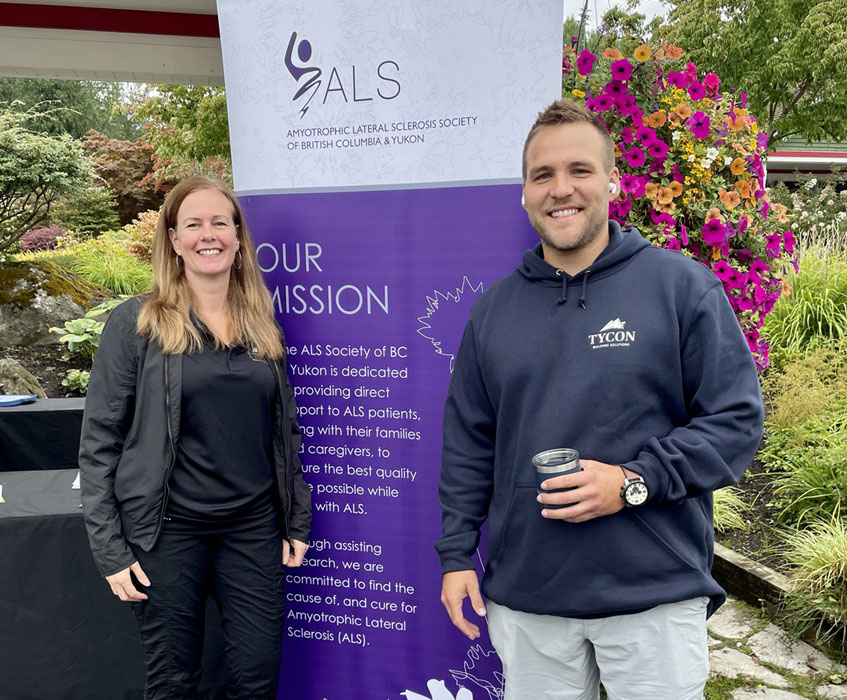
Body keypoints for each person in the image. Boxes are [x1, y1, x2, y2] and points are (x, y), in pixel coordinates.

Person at [436, 99, 764, 700]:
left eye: (579, 170)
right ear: (525, 193)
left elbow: (735, 421)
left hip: (653, 594)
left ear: (613, 181)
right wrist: (457, 554)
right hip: (530, 600)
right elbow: (468, 444)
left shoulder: (680, 287)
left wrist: (632, 481)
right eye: (543, 175)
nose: (561, 189)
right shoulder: (494, 311)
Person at [79, 176, 311, 699]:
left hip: (252, 529)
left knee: (258, 678)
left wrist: (295, 516)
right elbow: (99, 443)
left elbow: (284, 431)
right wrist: (110, 550)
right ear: (174, 240)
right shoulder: (137, 323)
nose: (209, 234)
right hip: (167, 533)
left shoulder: (261, 324)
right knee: (173, 683)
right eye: (193, 224)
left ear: (238, 236)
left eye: (220, 222)